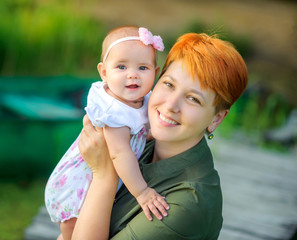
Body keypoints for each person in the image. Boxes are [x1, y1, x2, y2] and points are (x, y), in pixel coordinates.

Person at [74, 32, 249, 239]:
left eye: (193, 99)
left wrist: (104, 176)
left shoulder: (186, 204)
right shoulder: (138, 137)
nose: (170, 105)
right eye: (168, 84)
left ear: (216, 119)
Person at [44, 26, 169, 240]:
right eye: (121, 66)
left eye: (143, 68)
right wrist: (142, 192)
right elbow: (120, 153)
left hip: (97, 176)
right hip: (77, 183)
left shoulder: (139, 99)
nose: (132, 75)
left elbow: (140, 129)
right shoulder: (113, 111)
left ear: (155, 73)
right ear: (104, 72)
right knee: (73, 232)